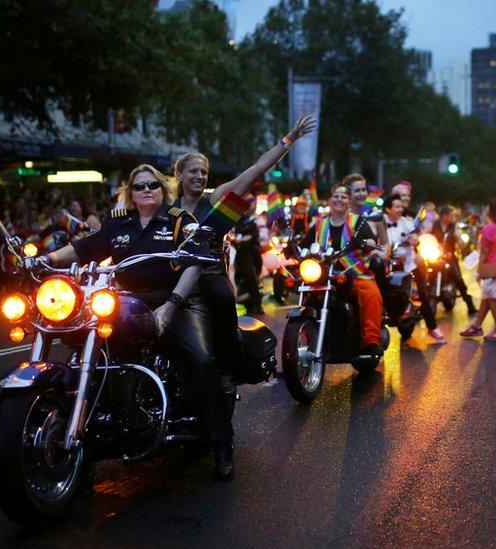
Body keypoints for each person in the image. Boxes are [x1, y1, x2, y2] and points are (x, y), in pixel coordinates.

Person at [42, 164, 237, 478]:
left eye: (153, 186)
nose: (146, 190)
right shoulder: (117, 225)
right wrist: (44, 259)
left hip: (177, 299)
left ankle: (221, 444)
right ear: (129, 193)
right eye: (139, 186)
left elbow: (193, 264)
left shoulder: (179, 221)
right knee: (92, 341)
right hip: (128, 301)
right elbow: (82, 248)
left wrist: (170, 307)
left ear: (162, 190)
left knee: (201, 360)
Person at [170, 114, 316, 479]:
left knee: (220, 304)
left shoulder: (215, 201)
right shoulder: (163, 209)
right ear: (178, 175)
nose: (199, 177)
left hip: (211, 279)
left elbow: (254, 171)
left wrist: (288, 141)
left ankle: (226, 373)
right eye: (193, 172)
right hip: (172, 286)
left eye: (203, 171)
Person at [300, 185, 385, 357]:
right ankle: (306, 336)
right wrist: (291, 247)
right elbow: (304, 243)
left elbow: (370, 239)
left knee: (371, 294)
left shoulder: (357, 221)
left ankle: (371, 342)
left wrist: (367, 242)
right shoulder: (319, 223)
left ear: (349, 202)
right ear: (330, 200)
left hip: (353, 272)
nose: (339, 199)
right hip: (323, 274)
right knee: (304, 289)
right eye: (336, 196)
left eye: (344, 197)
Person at [382, 194, 446, 343]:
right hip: (389, 265)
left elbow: (416, 237)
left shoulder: (406, 222)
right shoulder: (381, 223)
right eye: (396, 206)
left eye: (401, 206)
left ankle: (432, 327)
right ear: (387, 209)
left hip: (409, 264)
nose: (400, 209)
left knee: (423, 293)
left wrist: (414, 240)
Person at [460, 197, 496, 340]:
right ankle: (477, 326)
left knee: (491, 299)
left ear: (492, 211)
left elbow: (484, 251)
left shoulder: (489, 228)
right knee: (487, 297)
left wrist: (479, 270)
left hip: (491, 267)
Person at [430, 205, 477, 315]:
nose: (454, 217)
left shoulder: (454, 227)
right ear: (444, 216)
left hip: (450, 257)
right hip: (434, 257)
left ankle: (470, 306)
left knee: (459, 279)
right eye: (451, 215)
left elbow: (461, 243)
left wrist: (459, 239)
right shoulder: (434, 225)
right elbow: (425, 235)